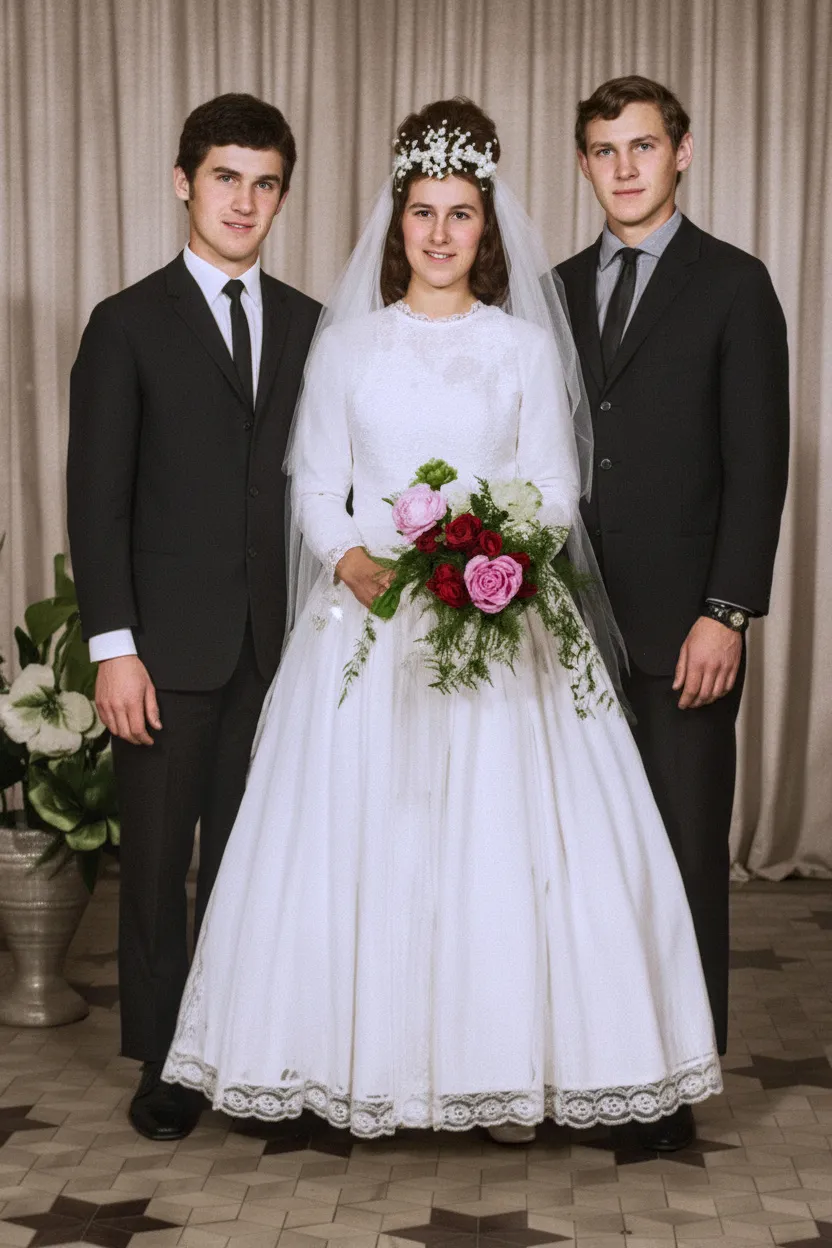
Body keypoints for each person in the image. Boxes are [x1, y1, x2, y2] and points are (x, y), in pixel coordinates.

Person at [162, 97, 721, 1145]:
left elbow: (554, 487)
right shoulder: (349, 349)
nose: (438, 233)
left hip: (499, 625)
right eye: (422, 210)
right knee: (356, 844)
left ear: (486, 227)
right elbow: (314, 484)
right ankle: (333, 1068)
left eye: (461, 213)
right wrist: (355, 558)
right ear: (397, 218)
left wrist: (494, 556)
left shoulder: (520, 350)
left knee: (512, 850)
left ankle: (525, 1065)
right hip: (366, 624)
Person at [67, 93, 320, 1142]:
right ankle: (165, 1066)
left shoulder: (313, 323)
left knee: (254, 868)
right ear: (184, 182)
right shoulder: (126, 323)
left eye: (264, 183)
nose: (244, 201)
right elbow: (98, 498)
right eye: (226, 177)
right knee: (159, 870)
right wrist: (113, 647)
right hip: (164, 652)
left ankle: (246, 1056)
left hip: (281, 648)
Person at [556, 75, 789, 1151]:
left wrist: (726, 612)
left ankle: (674, 1086)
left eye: (642, 147)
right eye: (604, 150)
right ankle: (592, 1065)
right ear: (585, 163)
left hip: (682, 632)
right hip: (559, 636)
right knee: (581, 859)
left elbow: (757, 468)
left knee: (684, 853)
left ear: (681, 152)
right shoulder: (550, 291)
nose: (625, 167)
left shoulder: (735, 287)